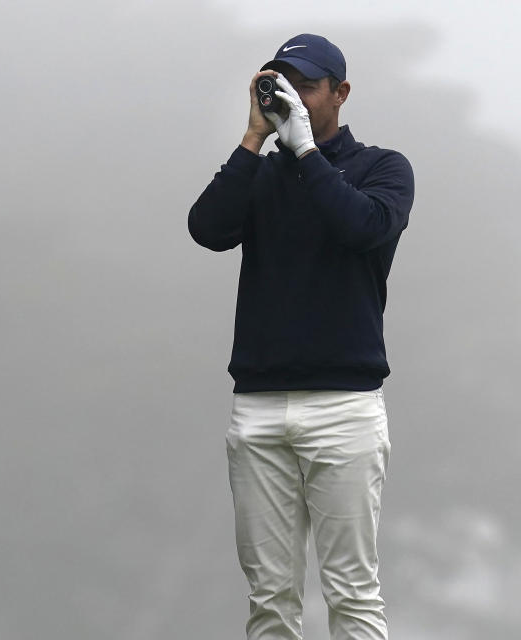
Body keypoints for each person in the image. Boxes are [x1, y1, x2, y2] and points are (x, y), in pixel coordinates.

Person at [187, 34, 414, 640]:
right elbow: (207, 229)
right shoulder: (259, 173)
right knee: (270, 599)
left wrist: (309, 152)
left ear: (340, 93)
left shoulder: (382, 169)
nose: (293, 97)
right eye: (279, 84)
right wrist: (254, 136)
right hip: (258, 409)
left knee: (352, 592)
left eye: (306, 86)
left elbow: (361, 227)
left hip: (343, 408)